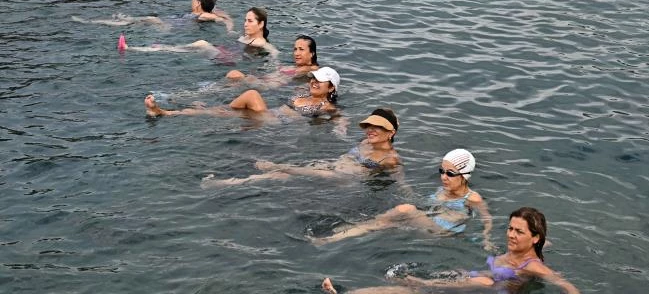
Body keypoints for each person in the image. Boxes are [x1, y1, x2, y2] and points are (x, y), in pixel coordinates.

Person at [320, 207, 579, 294]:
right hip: (468, 279)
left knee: (413, 288)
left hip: (482, 287)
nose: (511, 235)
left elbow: (568, 287)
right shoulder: (514, 253)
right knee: (409, 290)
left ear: (535, 238)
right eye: (510, 228)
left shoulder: (532, 266)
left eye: (519, 232)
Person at [310, 149, 494, 250]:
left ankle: (349, 228)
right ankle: (333, 239)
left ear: (465, 175)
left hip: (443, 232)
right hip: (428, 223)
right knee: (383, 224)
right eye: (442, 171)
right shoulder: (442, 190)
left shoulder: (473, 198)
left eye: (450, 173)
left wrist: (486, 240)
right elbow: (424, 204)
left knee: (404, 210)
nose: (443, 177)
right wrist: (401, 181)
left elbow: (487, 219)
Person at [201, 108, 400, 188]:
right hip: (331, 167)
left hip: (343, 178)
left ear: (390, 132)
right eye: (369, 126)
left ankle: (278, 166)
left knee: (283, 169)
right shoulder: (365, 143)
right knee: (279, 176)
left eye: (378, 127)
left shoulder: (390, 159)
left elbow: (399, 178)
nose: (370, 130)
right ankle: (229, 183)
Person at [144, 66, 340, 119]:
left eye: (320, 81)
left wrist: (341, 128)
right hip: (270, 114)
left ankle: (167, 110)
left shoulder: (327, 107)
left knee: (252, 94)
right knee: (217, 111)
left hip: (277, 122)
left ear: (331, 87)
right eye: (313, 78)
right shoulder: (301, 94)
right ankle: (164, 112)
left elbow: (339, 119)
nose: (314, 82)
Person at [120, 6, 276, 58]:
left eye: (250, 21)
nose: (246, 24)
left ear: (261, 24)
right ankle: (149, 48)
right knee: (193, 47)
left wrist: (276, 70)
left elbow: (274, 52)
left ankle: (160, 48)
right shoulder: (245, 37)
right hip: (224, 52)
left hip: (227, 59)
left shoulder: (260, 42)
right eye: (245, 20)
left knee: (201, 43)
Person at [72, 0, 233, 32]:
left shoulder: (204, 15)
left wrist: (225, 25)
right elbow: (223, 16)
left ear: (198, 3)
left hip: (169, 26)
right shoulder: (211, 10)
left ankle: (93, 22)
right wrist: (229, 27)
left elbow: (216, 18)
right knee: (138, 22)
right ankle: (116, 21)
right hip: (173, 22)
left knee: (150, 19)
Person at [225, 34, 318, 82]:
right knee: (232, 75)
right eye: (295, 49)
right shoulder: (298, 67)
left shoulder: (312, 69)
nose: (296, 53)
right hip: (260, 80)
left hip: (264, 86)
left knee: (233, 74)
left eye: (301, 49)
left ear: (311, 53)